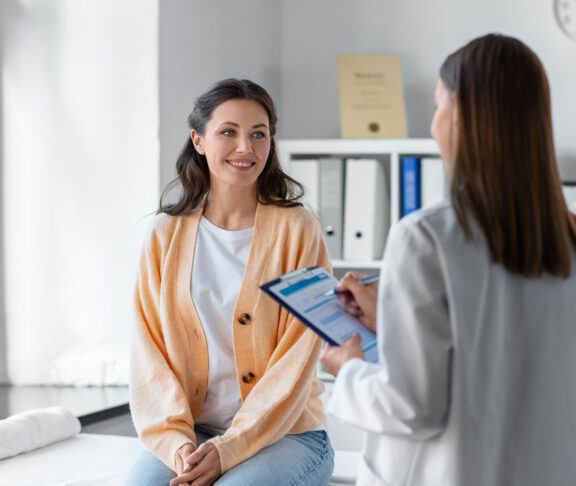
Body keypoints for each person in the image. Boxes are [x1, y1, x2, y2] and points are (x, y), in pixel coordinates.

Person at [320, 33, 576, 486]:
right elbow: (512, 348)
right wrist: (394, 322)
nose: (434, 124)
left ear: (462, 113)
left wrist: (348, 371)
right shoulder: (567, 233)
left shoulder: (425, 237)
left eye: (438, 106)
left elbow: (412, 406)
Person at [127, 78, 334, 486]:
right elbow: (147, 352)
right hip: (193, 433)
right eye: (228, 132)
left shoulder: (299, 230)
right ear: (198, 140)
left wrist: (229, 450)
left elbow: (299, 356)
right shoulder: (163, 234)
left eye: (259, 134)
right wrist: (176, 444)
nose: (246, 148)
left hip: (288, 436)